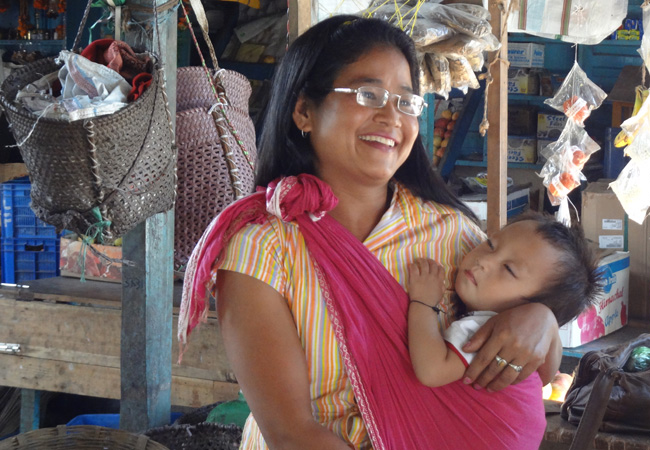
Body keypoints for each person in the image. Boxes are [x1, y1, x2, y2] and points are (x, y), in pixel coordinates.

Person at [178, 15, 563, 450]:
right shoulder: (262, 249)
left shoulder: (453, 236)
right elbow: (292, 434)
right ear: (304, 111)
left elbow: (524, 377)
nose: (391, 117)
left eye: (406, 101)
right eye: (369, 95)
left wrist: (542, 321)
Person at [407, 211, 603, 400]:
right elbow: (546, 376)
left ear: (532, 306)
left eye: (509, 269)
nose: (485, 260)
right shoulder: (533, 344)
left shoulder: (486, 330)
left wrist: (423, 302)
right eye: (490, 244)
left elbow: (431, 371)